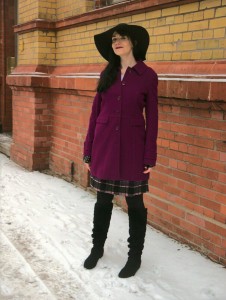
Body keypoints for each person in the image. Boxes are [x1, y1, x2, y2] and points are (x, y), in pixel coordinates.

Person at [83, 23, 158, 278]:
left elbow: (154, 117)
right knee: (102, 200)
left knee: (135, 204)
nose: (116, 42)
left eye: (122, 38)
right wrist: (88, 150)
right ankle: (96, 249)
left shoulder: (148, 75)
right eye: (114, 39)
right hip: (103, 146)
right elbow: (95, 114)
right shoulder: (108, 73)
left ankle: (134, 257)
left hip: (133, 149)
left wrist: (150, 155)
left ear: (133, 42)